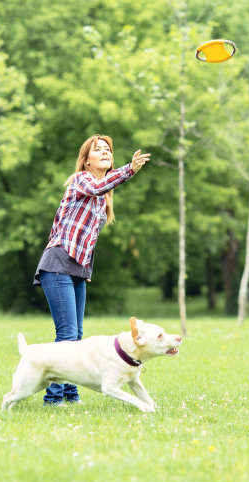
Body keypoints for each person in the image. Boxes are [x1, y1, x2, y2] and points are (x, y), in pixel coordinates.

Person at [34, 134, 150, 406]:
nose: (105, 152)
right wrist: (129, 169)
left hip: (76, 269)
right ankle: (53, 399)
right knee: (66, 335)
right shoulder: (81, 181)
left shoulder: (103, 196)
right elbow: (99, 187)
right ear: (86, 161)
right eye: (98, 150)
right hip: (58, 263)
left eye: (108, 149)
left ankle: (70, 394)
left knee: (77, 337)